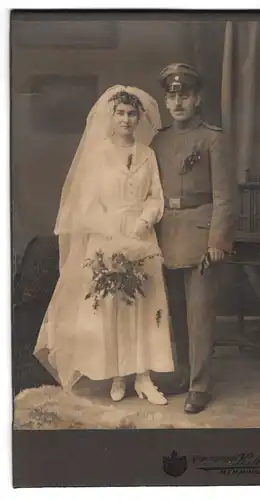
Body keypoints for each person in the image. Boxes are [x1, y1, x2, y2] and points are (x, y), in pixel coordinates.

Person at [33, 85, 174, 406]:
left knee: (146, 304)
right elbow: (86, 205)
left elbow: (156, 195)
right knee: (113, 306)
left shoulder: (147, 155)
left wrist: (144, 220)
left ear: (139, 118)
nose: (126, 120)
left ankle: (144, 377)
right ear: (110, 118)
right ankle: (118, 375)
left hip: (141, 236)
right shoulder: (97, 157)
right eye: (120, 114)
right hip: (107, 238)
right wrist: (113, 231)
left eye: (131, 114)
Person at [150, 63, 236, 414]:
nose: (178, 101)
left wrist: (218, 239)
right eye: (172, 95)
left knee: (199, 316)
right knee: (174, 312)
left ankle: (200, 385)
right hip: (165, 232)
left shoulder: (213, 138)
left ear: (197, 99)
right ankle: (182, 374)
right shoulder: (159, 140)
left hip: (201, 234)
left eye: (184, 95)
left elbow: (226, 195)